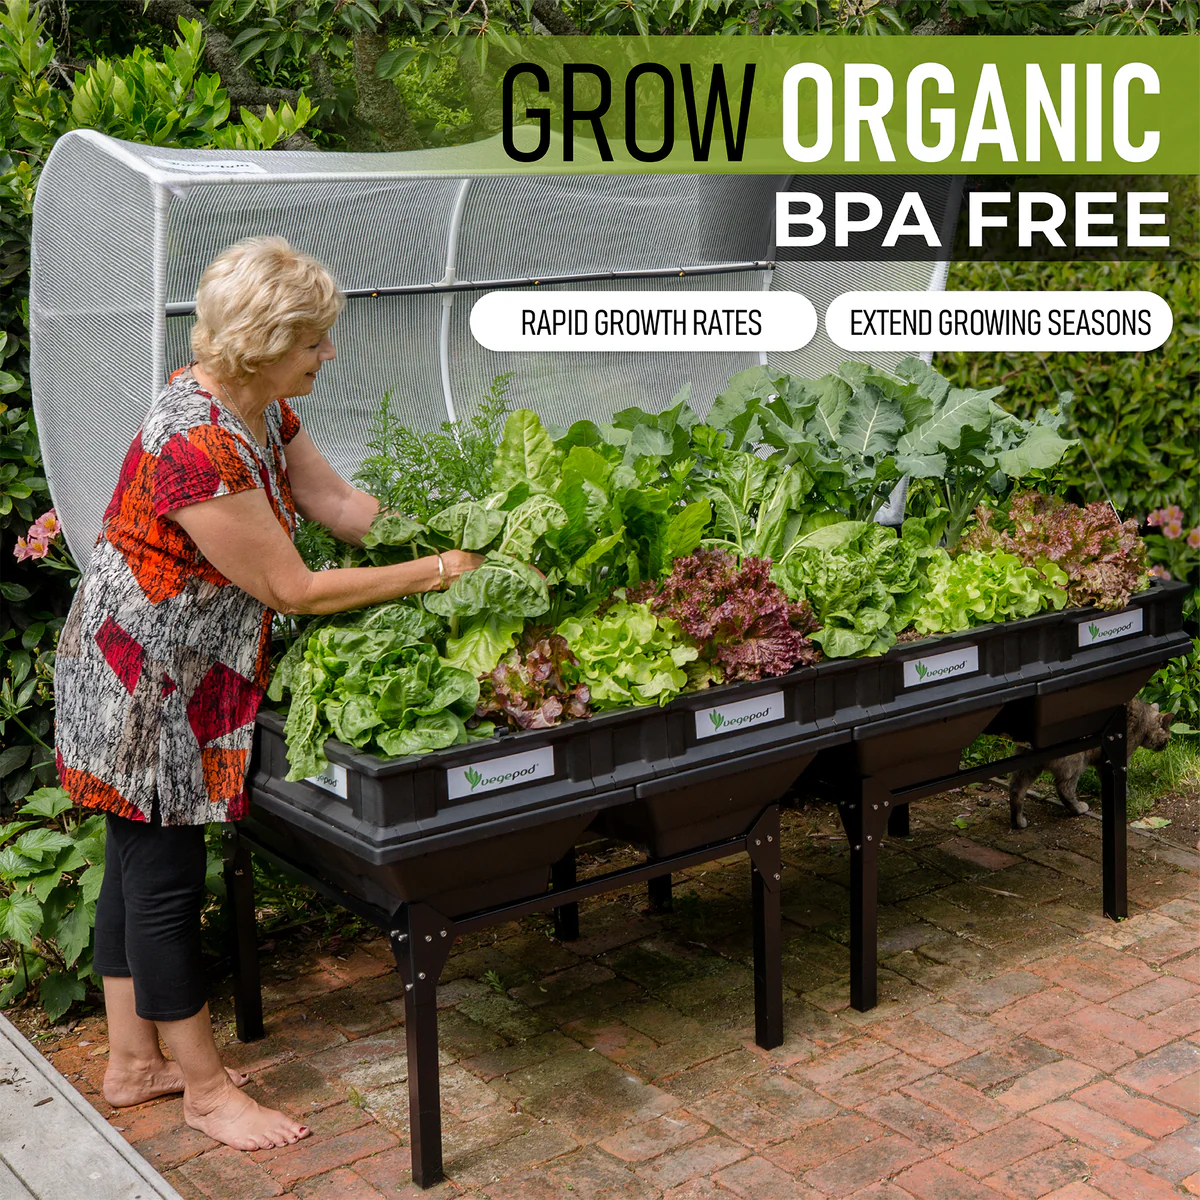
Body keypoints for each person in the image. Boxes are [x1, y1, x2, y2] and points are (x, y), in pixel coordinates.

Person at [54, 236, 482, 1151]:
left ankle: (133, 1065)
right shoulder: (198, 449)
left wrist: (458, 532)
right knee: (163, 880)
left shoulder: (259, 412)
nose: (328, 355)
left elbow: (336, 506)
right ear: (263, 342)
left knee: (138, 867)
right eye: (314, 342)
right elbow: (293, 588)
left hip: (180, 667)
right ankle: (206, 1093)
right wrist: (433, 574)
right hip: (144, 684)